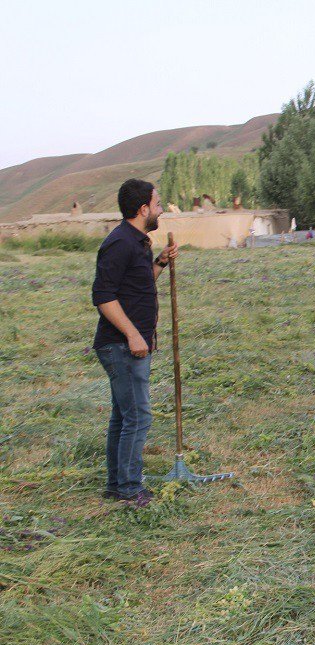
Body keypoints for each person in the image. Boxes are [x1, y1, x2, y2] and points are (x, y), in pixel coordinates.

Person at [91, 179, 178, 506]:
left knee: (123, 416)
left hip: (131, 344)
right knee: (138, 417)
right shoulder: (120, 243)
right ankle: (129, 489)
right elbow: (103, 296)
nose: (159, 208)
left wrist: (160, 262)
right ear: (143, 209)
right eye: (157, 204)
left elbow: (136, 287)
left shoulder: (138, 242)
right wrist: (132, 334)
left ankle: (117, 485)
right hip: (120, 346)